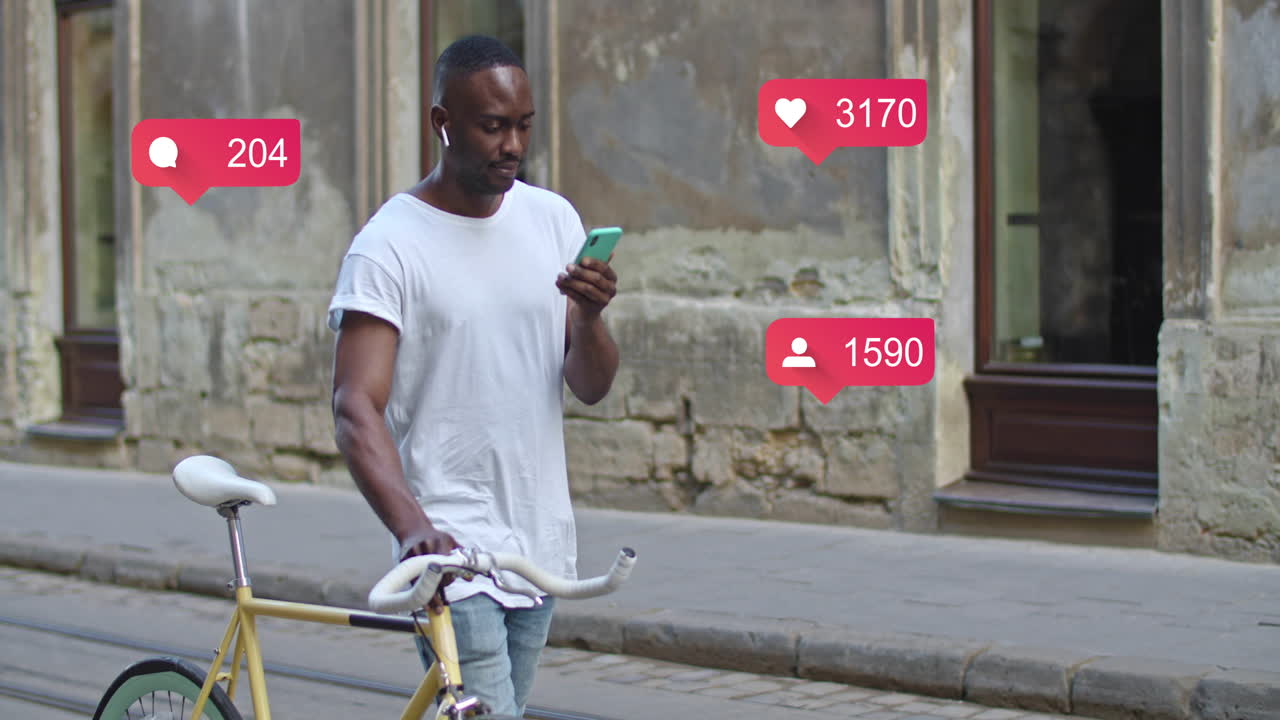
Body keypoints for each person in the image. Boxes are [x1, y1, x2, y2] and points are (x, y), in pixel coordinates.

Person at [327, 34, 619, 717]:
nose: (512, 144)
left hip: (538, 541)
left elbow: (591, 384)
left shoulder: (552, 219)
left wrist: (591, 317)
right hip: (451, 547)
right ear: (443, 123)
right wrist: (411, 528)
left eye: (523, 125)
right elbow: (354, 407)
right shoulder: (389, 245)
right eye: (492, 126)